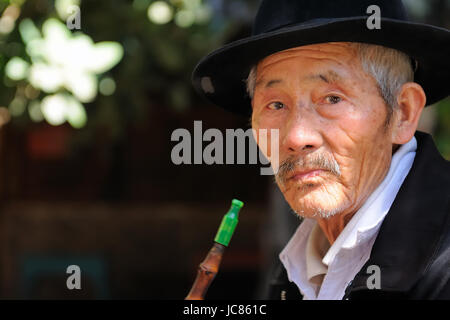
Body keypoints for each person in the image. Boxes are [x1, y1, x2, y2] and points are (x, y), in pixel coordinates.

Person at [192, 0, 450, 299]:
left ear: (403, 113)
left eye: (332, 99)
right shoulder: (297, 269)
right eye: (275, 104)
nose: (297, 136)